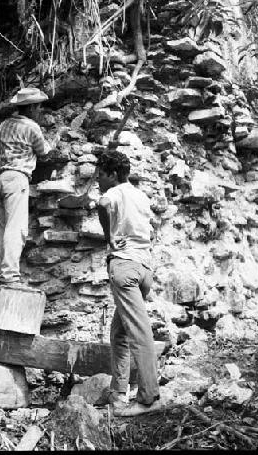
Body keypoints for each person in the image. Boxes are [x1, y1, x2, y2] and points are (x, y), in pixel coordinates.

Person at [97, 149, 161, 416]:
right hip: (143, 269)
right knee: (120, 332)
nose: (99, 180)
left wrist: (109, 236)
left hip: (124, 267)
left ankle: (148, 398)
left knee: (138, 332)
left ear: (112, 175)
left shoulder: (115, 192)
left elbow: (101, 203)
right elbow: (152, 228)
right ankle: (118, 392)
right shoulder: (140, 195)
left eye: (101, 175)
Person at [0, 87, 59, 286]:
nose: (39, 111)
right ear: (29, 108)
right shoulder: (31, 127)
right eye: (37, 107)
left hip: (0, 180)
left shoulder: (4, 125)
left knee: (3, 230)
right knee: (16, 228)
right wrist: (57, 137)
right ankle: (11, 276)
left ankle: (5, 274)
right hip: (17, 179)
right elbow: (44, 151)